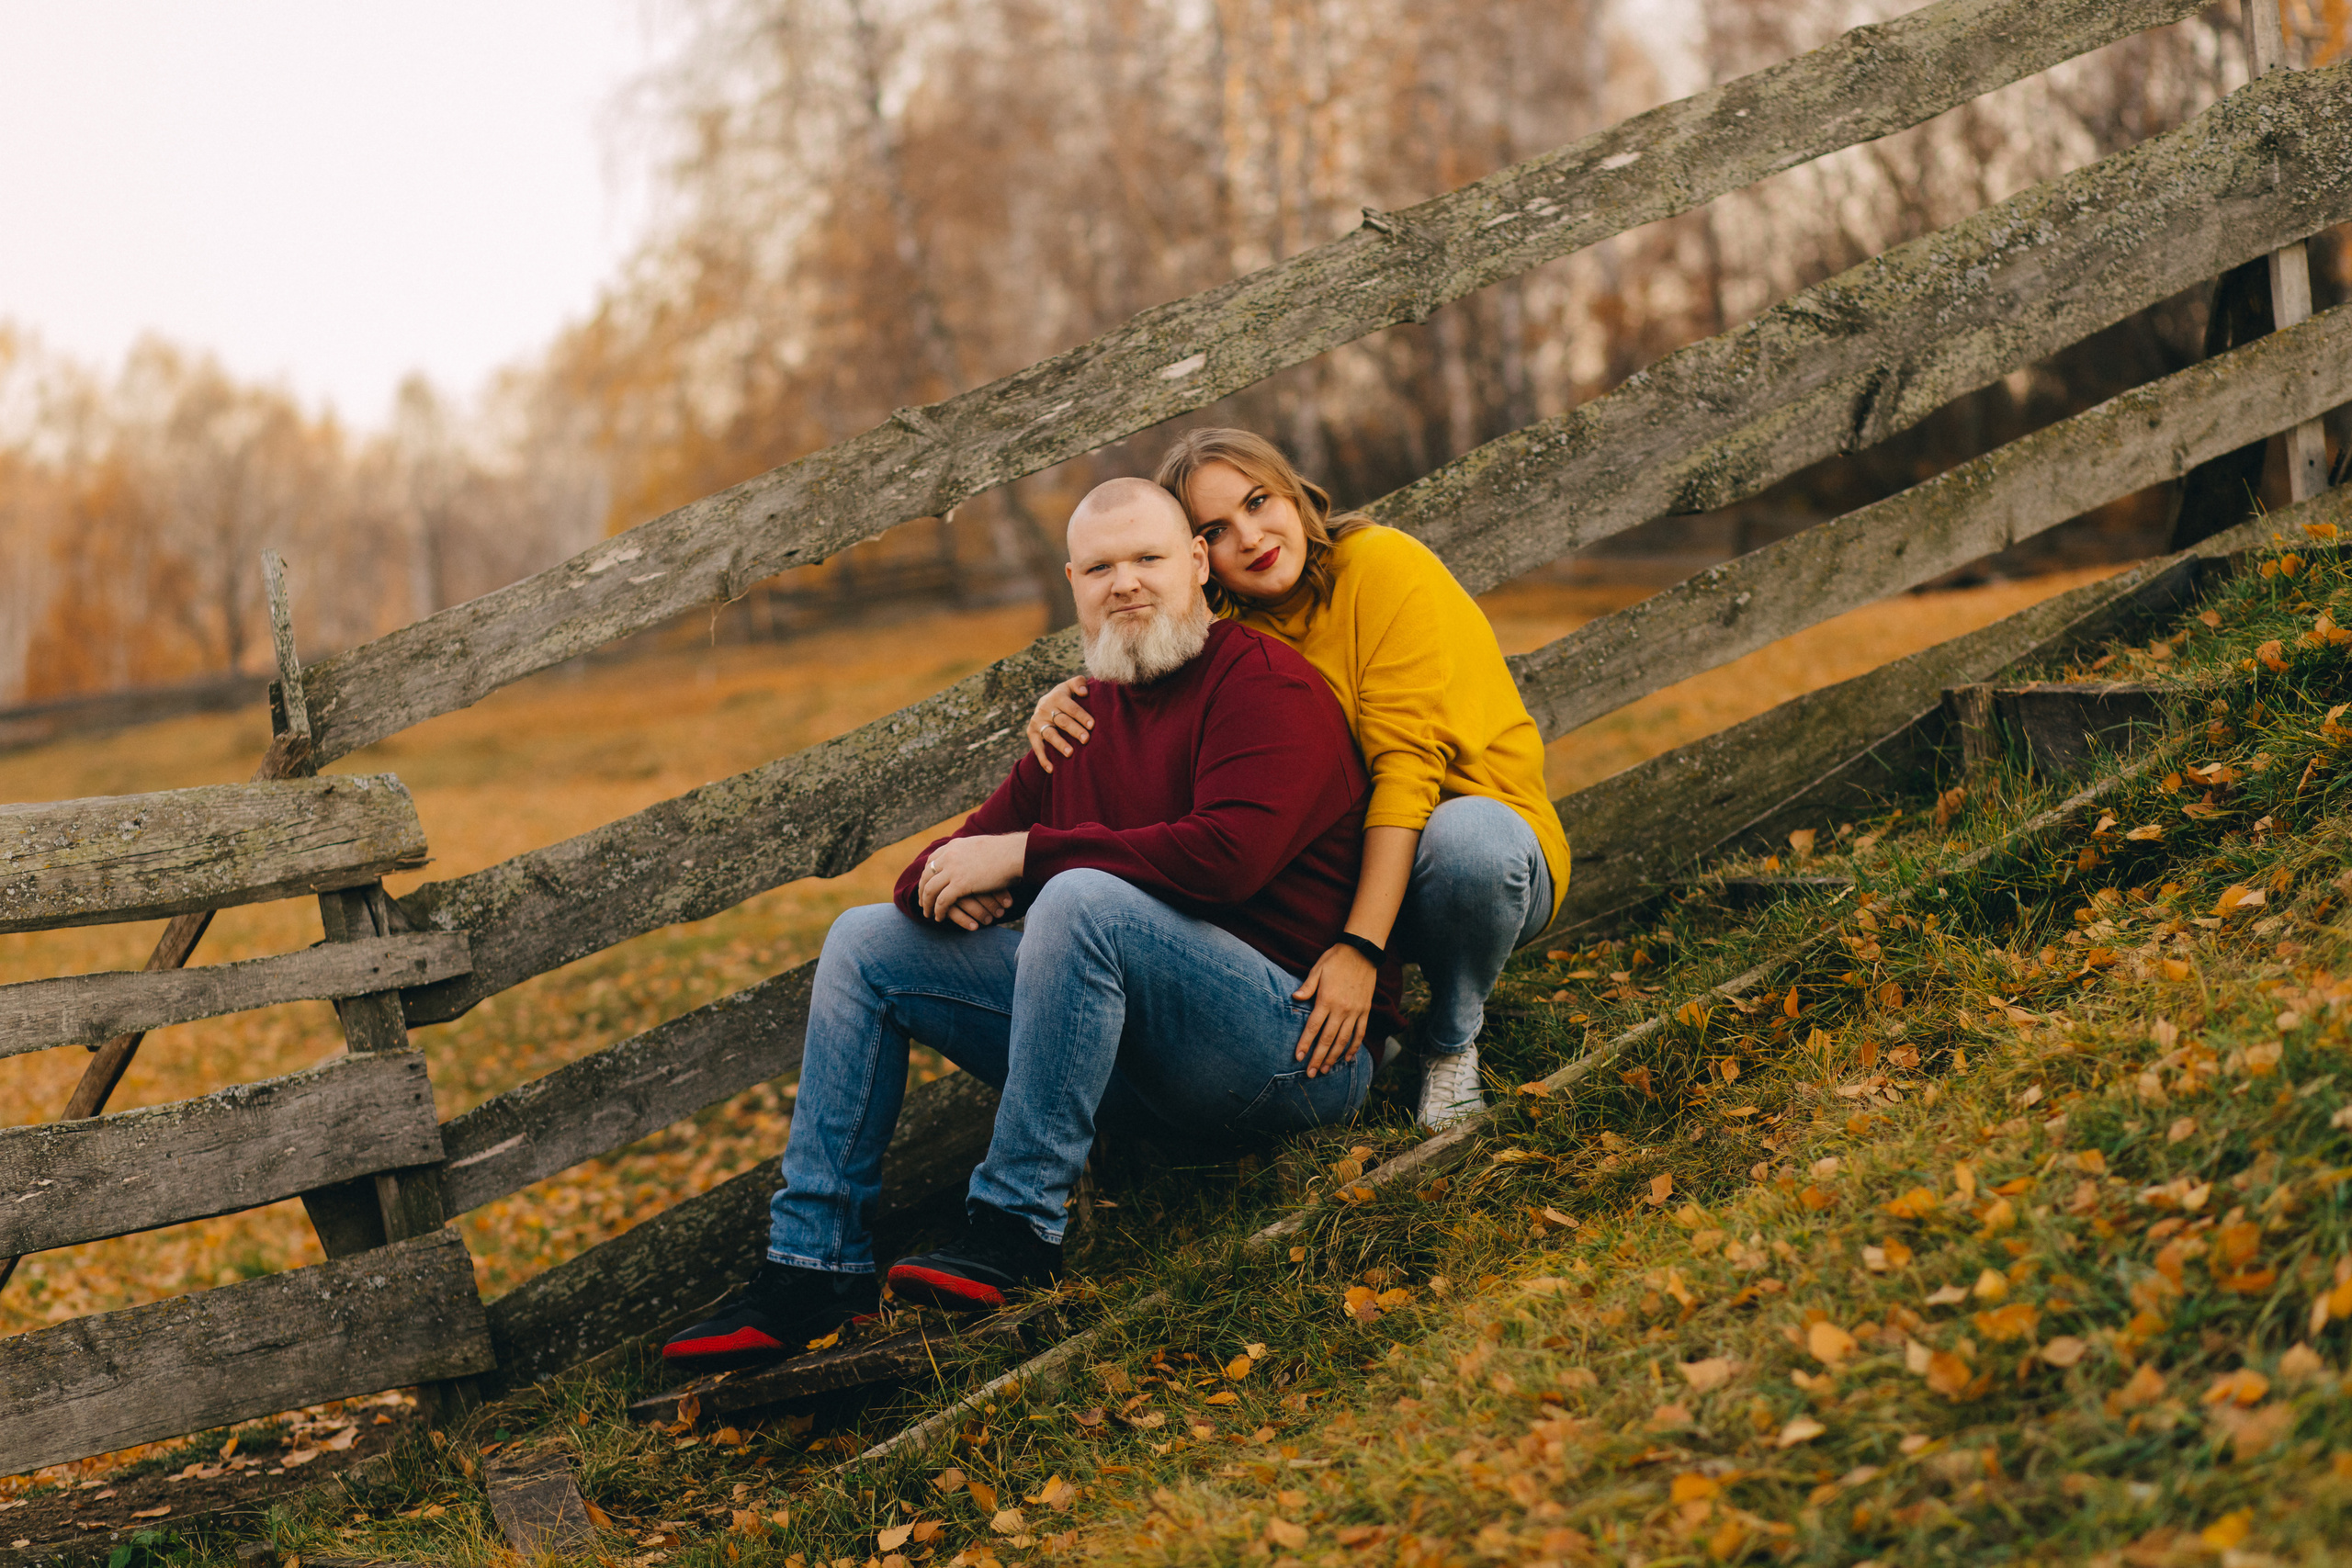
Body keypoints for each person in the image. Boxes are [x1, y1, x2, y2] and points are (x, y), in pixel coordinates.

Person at [662, 477, 1393, 1367]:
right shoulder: (1082, 717)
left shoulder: (1264, 684)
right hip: (1140, 1062)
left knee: (1084, 899)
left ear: (1198, 566)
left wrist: (1023, 858)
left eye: (1148, 560)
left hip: (1298, 1050)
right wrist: (948, 880)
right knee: (862, 943)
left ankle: (1014, 1227)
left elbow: (1225, 859)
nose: (1124, 583)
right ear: (1072, 583)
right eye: (1100, 568)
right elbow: (942, 868)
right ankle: (813, 1265)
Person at [1027, 430, 1568, 1132]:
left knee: (1466, 840)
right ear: (1198, 557)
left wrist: (1362, 948)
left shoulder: (1382, 565)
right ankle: (1377, 1027)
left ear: (1294, 492)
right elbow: (1153, 697)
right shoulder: (1228, 642)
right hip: (1358, 877)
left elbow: (1406, 773)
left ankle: (1451, 1041)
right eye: (1217, 529)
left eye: (1259, 502)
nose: (1251, 537)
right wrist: (1078, 694)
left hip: (1478, 852)